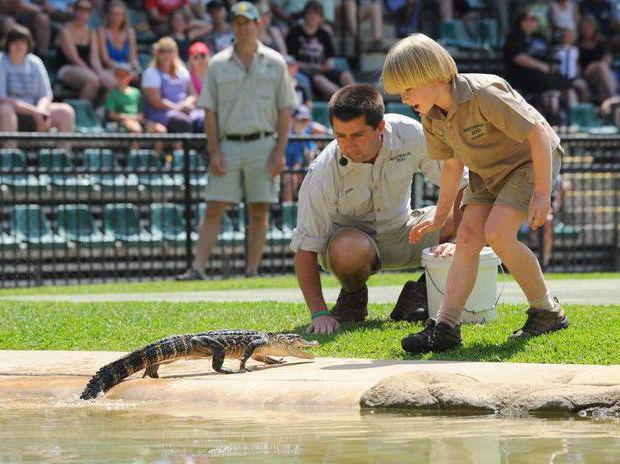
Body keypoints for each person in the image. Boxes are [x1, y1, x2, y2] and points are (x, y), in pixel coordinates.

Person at [382, 33, 570, 354]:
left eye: (408, 88)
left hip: (528, 162)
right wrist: (440, 217)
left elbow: (538, 132)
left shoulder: (483, 93)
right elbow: (453, 167)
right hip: (485, 171)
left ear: (433, 77)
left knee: (497, 233)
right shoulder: (430, 116)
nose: (403, 98)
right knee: (467, 238)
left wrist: (541, 192)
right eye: (400, 91)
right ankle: (445, 327)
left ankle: (546, 311)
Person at [292, 84, 466, 335]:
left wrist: (460, 239)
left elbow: (461, 180)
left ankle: (421, 293)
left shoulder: (409, 133)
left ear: (380, 127)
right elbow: (305, 249)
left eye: (358, 135)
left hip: (404, 231)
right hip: (351, 249)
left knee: (471, 214)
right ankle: (353, 297)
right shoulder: (322, 171)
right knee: (349, 248)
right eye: (340, 136)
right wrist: (319, 314)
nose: (348, 145)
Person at [176, 1, 297, 280]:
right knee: (214, 205)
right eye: (238, 22)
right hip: (228, 144)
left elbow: (285, 109)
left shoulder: (276, 62)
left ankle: (252, 271)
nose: (243, 27)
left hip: (265, 144)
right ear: (232, 26)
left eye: (247, 22)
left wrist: (280, 151)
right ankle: (197, 268)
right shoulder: (217, 63)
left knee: (259, 209)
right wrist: (214, 150)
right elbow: (209, 111)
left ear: (258, 24)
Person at [0, 24, 75, 142]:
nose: (18, 46)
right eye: (14, 42)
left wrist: (42, 111)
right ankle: (11, 156)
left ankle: (62, 157)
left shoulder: (35, 62)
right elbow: (2, 98)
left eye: (22, 42)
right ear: (7, 44)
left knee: (65, 112)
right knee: (4, 109)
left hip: (35, 110)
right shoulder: (1, 61)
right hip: (10, 113)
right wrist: (35, 111)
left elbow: (45, 94)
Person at [286, 0, 355, 99]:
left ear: (321, 18)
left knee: (346, 75)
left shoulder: (324, 34)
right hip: (306, 72)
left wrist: (327, 66)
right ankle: (344, 100)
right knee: (319, 80)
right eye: (310, 14)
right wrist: (314, 67)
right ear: (305, 15)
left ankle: (358, 98)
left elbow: (330, 59)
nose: (313, 17)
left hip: (323, 70)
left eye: (316, 14)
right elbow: (292, 61)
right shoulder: (294, 33)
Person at [56, 0, 116, 103]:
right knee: (93, 80)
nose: (83, 13)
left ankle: (99, 113)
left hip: (88, 69)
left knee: (111, 81)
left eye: (87, 10)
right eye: (80, 9)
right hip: (67, 68)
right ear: (74, 11)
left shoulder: (91, 32)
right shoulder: (65, 30)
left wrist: (100, 72)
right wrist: (93, 73)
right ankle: (82, 112)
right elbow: (73, 58)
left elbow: (95, 58)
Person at [142, 37, 204, 136]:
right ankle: (183, 151)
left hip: (184, 109)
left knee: (203, 119)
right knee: (182, 121)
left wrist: (187, 103)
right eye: (163, 51)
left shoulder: (182, 71)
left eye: (170, 51)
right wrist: (178, 108)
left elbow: (193, 94)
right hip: (161, 113)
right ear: (157, 53)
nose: (166, 55)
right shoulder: (151, 73)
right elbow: (156, 101)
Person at [97, 0, 141, 74]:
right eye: (113, 14)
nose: (116, 17)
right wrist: (122, 67)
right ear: (108, 15)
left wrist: (138, 70)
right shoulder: (102, 32)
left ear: (124, 16)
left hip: (127, 69)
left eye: (119, 14)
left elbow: (133, 58)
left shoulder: (130, 32)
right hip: (109, 69)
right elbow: (105, 59)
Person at [105, 62, 143, 134]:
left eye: (124, 75)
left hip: (138, 121)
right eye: (118, 75)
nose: (121, 78)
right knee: (135, 129)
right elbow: (112, 114)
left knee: (158, 130)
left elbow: (141, 114)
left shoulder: (136, 92)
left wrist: (137, 118)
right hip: (121, 123)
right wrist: (129, 118)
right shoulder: (112, 94)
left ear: (130, 77)